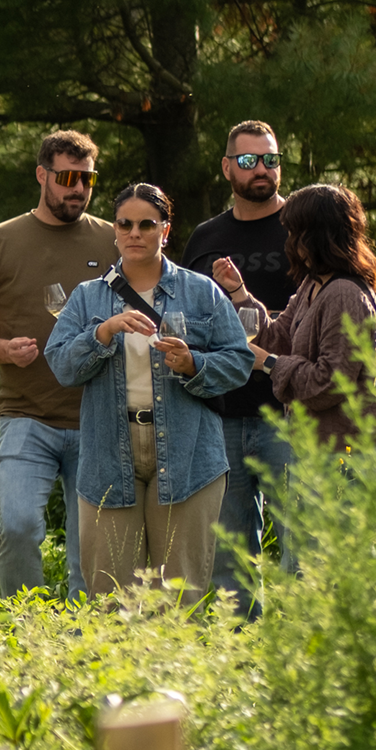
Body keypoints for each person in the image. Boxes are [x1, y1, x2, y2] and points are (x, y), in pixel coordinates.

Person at [43, 183, 252, 603]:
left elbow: (239, 361)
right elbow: (61, 366)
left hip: (188, 452)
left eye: (146, 224)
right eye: (125, 224)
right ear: (115, 230)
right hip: (108, 454)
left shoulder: (202, 291)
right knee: (113, 599)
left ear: (165, 230)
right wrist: (102, 332)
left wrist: (193, 364)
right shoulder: (88, 296)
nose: (134, 233)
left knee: (179, 599)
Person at [0, 130, 113, 600]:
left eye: (87, 179)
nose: (78, 189)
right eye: (67, 178)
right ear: (42, 175)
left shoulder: (113, 240)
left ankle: (89, 634)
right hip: (25, 415)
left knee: (92, 548)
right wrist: (5, 350)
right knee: (18, 527)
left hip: (96, 414)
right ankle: (25, 625)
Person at [179, 120, 295, 605]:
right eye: (249, 161)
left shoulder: (302, 227)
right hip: (221, 412)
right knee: (229, 553)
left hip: (289, 412)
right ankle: (242, 644)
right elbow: (181, 311)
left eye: (270, 159)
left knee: (301, 544)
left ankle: (302, 640)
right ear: (227, 168)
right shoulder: (207, 237)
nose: (261, 169)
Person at [241, 182, 376, 458]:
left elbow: (330, 383)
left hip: (346, 454)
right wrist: (239, 292)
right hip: (316, 448)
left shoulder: (342, 294)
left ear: (316, 235)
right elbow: (277, 338)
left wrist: (268, 363)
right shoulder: (313, 283)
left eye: (294, 231)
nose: (289, 241)